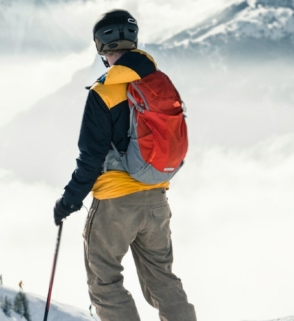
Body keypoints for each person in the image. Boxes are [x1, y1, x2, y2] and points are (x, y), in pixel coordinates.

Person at [52, 9, 197, 321]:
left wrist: (69, 200)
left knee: (104, 282)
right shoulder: (157, 83)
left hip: (115, 203)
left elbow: (91, 157)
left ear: (101, 50)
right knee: (162, 279)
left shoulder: (104, 92)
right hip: (156, 199)